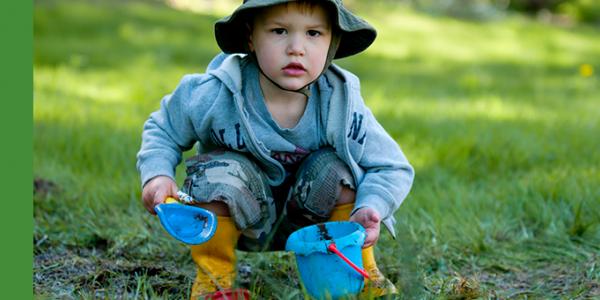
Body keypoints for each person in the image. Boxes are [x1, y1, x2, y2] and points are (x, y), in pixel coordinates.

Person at [136, 0, 414, 298]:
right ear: (251, 37)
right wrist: (157, 174)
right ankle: (214, 282)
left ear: (332, 41)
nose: (296, 47)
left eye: (313, 33)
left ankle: (355, 274)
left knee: (339, 168)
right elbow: (164, 128)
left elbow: (391, 165)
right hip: (240, 218)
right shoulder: (216, 93)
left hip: (314, 221)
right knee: (220, 171)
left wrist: (371, 206)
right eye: (279, 31)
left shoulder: (340, 104)